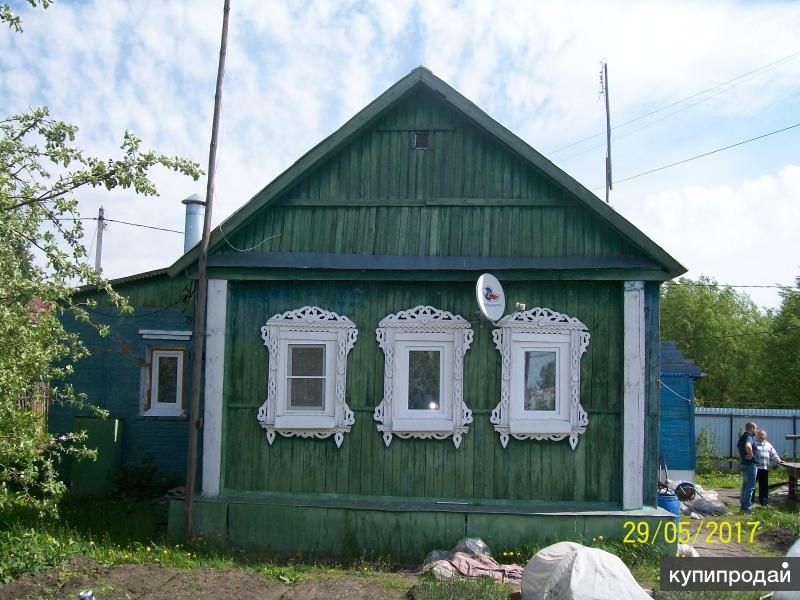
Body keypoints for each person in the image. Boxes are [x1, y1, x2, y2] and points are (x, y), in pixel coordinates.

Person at [752, 429, 785, 506]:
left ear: (765, 436)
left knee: (764, 486)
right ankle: (751, 501)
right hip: (755, 468)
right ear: (757, 435)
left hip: (764, 468)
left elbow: (774, 454)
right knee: (753, 485)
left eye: (763, 434)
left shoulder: (768, 445)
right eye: (760, 434)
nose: (762, 436)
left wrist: (779, 461)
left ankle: (764, 502)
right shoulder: (754, 444)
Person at [737, 421, 758, 513]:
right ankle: (747, 508)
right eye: (755, 428)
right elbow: (748, 446)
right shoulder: (749, 437)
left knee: (745, 486)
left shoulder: (742, 437)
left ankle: (743, 506)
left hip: (744, 464)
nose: (756, 431)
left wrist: (742, 457)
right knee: (750, 486)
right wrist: (750, 454)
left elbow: (737, 449)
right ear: (752, 428)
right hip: (751, 465)